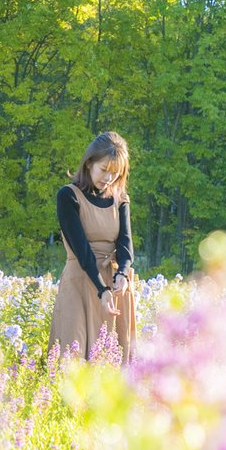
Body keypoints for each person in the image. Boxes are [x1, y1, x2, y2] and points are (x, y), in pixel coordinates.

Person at [48, 131, 136, 362]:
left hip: (114, 285)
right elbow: (81, 249)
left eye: (115, 173)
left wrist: (123, 274)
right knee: (73, 354)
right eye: (104, 170)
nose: (108, 178)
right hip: (81, 280)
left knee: (113, 357)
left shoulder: (120, 199)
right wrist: (101, 289)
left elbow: (125, 243)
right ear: (89, 164)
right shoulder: (68, 196)